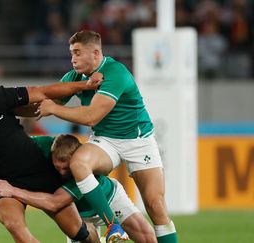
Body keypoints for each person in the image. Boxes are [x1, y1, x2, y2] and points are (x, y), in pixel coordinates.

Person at [0, 72, 127, 243]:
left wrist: (85, 85)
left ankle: (91, 232)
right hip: (0, 183)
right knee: (17, 229)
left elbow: (42, 92)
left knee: (80, 234)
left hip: (39, 168)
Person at [36, 30, 178, 243]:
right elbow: (43, 103)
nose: (72, 59)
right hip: (106, 140)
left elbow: (92, 116)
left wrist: (53, 109)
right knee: (79, 163)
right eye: (71, 53)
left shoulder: (115, 72)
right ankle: (113, 226)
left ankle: (95, 221)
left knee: (155, 205)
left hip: (138, 141)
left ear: (94, 53)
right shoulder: (75, 77)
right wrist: (5, 107)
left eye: (77, 53)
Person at [0, 134, 156, 243]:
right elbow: (18, 145)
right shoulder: (43, 146)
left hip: (109, 199)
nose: (62, 173)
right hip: (78, 217)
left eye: (66, 169)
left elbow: (55, 203)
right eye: (57, 167)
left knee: (147, 237)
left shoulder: (83, 164)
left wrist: (13, 191)